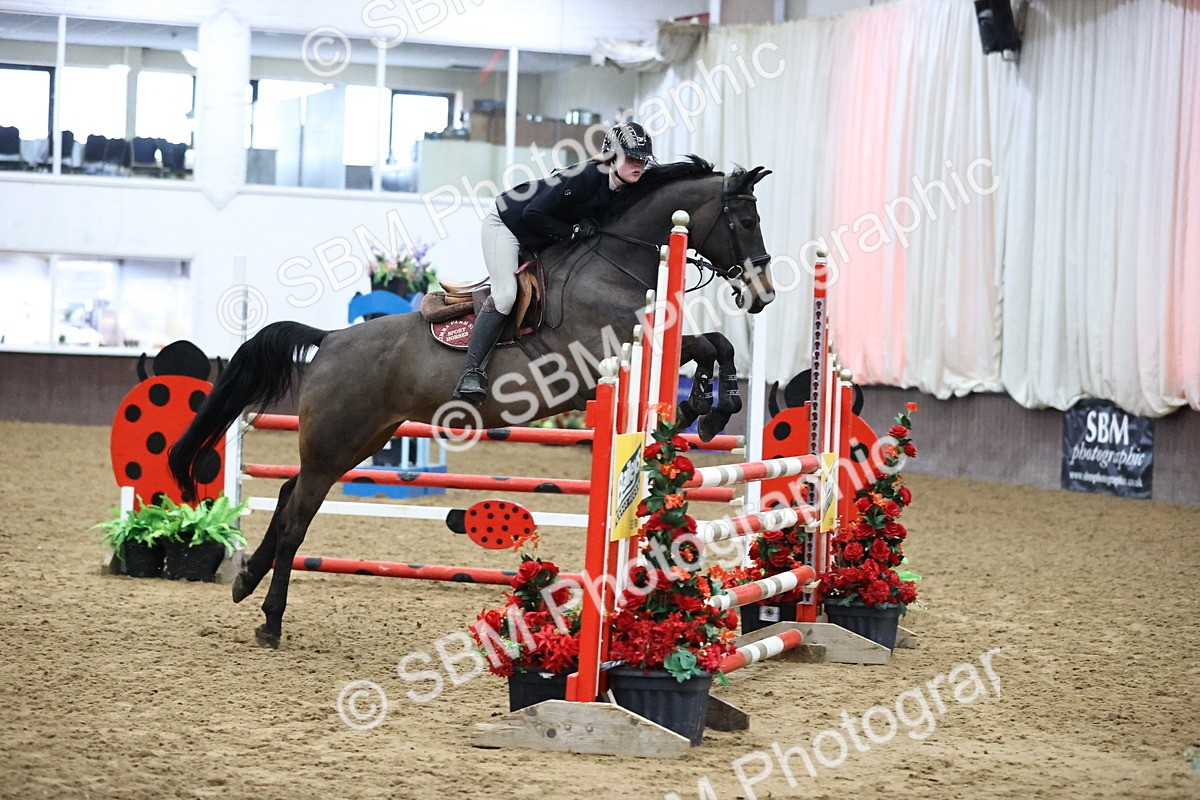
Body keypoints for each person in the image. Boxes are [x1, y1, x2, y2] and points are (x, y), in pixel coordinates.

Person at [452, 121, 655, 404]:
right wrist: (571, 231)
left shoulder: (625, 186)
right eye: (632, 158)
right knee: (506, 295)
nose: (639, 166)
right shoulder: (584, 176)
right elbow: (533, 213)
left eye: (643, 161)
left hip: (541, 234)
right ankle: (471, 372)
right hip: (507, 223)